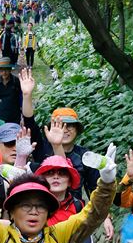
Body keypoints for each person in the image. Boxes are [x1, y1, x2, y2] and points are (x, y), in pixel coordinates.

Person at [20, 69, 100, 201]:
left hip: (74, 214)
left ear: (77, 130)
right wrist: (27, 95)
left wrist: (106, 217)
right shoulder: (42, 148)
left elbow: (94, 188)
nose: (65, 130)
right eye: (60, 125)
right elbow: (29, 122)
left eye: (70, 126)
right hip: (46, 209)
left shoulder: (85, 156)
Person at [0, 57, 22, 124]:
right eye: (1, 70)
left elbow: (21, 97)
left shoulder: (17, 82)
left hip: (15, 117)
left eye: (6, 70)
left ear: (10, 69)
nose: (4, 73)